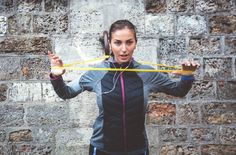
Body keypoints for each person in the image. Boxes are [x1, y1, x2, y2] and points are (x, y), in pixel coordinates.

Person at [48, 20, 199, 155]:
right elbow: (66, 93)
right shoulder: (96, 73)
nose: (124, 49)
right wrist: (56, 76)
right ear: (110, 44)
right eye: (118, 43)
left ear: (135, 43)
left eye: (129, 42)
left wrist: (187, 76)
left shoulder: (146, 73)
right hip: (101, 149)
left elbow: (179, 90)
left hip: (137, 149)